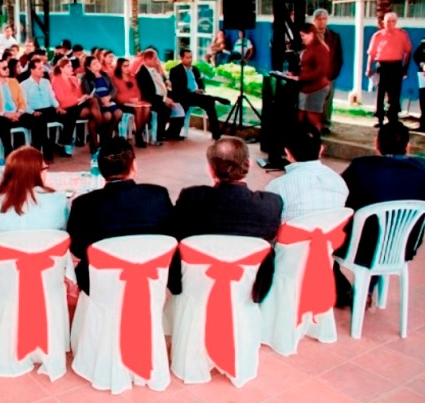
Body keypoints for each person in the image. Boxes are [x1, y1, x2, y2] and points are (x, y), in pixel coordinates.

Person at [334, 122, 425, 305]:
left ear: (376, 144)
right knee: (382, 231)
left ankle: (343, 290)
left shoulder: (362, 167)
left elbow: (337, 194)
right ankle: (368, 289)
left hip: (363, 247)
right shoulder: (424, 169)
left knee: (327, 233)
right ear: (408, 146)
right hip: (403, 246)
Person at [173, 137, 282, 301]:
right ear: (249, 164)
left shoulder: (191, 199)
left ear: (210, 169)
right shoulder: (270, 204)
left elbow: (175, 234)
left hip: (197, 286)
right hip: (248, 289)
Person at [67, 137, 176, 294]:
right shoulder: (158, 195)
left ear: (101, 170)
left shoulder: (84, 203)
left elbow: (77, 248)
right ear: (134, 166)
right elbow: (170, 233)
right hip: (150, 279)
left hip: (100, 284)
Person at [264, 123, 348, 222]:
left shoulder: (276, 186)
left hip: (290, 237)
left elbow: (266, 223)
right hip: (329, 237)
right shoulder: (339, 182)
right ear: (321, 149)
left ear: (287, 152)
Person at [0, 146, 69, 238]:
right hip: (51, 252)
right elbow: (66, 233)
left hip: (3, 251)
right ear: (38, 173)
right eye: (45, 168)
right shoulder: (59, 199)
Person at [0, 59, 48, 159]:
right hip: (2, 116)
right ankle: (9, 154)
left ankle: (35, 152)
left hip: (17, 115)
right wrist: (6, 114)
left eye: (7, 67)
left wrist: (19, 113)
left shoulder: (14, 82)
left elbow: (22, 102)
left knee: (38, 120)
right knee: (1, 122)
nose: (7, 69)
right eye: (4, 68)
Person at [169, 48, 229, 140]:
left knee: (209, 104)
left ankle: (216, 133)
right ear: (181, 58)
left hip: (197, 96)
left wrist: (201, 89)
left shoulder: (195, 70)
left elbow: (200, 82)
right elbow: (177, 89)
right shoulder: (175, 71)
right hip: (184, 96)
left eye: (191, 57)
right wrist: (192, 91)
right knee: (208, 100)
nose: (190, 60)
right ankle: (215, 98)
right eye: (187, 57)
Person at [366, 12, 412, 127]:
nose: (390, 23)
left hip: (396, 66)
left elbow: (408, 51)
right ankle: (379, 118)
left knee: (395, 93)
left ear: (396, 22)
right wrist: (368, 68)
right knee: (380, 93)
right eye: (388, 21)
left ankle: (393, 118)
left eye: (393, 21)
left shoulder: (402, 35)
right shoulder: (378, 35)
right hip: (382, 66)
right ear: (383, 22)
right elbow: (371, 54)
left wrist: (405, 67)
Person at [20, 58, 68, 161]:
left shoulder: (46, 82)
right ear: (32, 70)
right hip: (33, 111)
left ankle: (59, 144)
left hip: (48, 109)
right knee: (39, 121)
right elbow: (23, 103)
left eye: (43, 68)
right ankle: (46, 150)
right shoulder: (24, 85)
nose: (43, 70)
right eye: (39, 68)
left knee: (67, 116)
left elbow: (52, 97)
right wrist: (32, 112)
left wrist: (57, 107)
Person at [136, 49, 183, 143]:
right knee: (165, 109)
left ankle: (173, 132)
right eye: (155, 58)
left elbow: (162, 79)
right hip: (152, 99)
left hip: (163, 94)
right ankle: (158, 135)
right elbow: (147, 94)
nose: (157, 60)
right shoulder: (142, 73)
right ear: (147, 59)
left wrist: (165, 79)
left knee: (181, 101)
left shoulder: (155, 69)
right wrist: (164, 99)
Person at [293, 22, 332, 131]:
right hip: (305, 87)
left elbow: (321, 70)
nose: (302, 38)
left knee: (313, 117)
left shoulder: (320, 48)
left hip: (317, 87)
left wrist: (301, 78)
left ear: (311, 34)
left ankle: (316, 143)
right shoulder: (308, 48)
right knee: (301, 116)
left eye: (303, 36)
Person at [80, 56, 122, 153]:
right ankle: (103, 138)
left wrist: (109, 97)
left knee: (118, 113)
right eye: (94, 64)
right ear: (89, 67)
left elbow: (114, 89)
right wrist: (101, 99)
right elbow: (88, 92)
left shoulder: (105, 75)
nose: (97, 65)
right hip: (97, 102)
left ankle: (107, 135)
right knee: (107, 116)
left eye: (97, 62)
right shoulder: (86, 77)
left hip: (108, 99)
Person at [312, 9, 343, 134]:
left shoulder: (334, 37)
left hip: (328, 75)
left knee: (327, 101)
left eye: (324, 19)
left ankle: (325, 124)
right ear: (314, 21)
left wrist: (333, 74)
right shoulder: (308, 35)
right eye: (319, 19)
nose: (321, 21)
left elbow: (338, 57)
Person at [50, 58, 91, 151]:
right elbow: (61, 99)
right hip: (65, 107)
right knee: (73, 113)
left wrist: (83, 97)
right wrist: (78, 99)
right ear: (61, 68)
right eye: (68, 66)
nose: (71, 68)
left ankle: (64, 141)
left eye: (71, 66)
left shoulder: (73, 79)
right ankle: (97, 137)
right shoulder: (56, 80)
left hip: (76, 105)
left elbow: (79, 95)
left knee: (92, 103)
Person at [113, 57, 152, 148]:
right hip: (123, 104)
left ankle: (139, 131)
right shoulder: (115, 79)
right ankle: (139, 136)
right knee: (138, 109)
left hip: (135, 102)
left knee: (147, 108)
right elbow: (117, 95)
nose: (127, 68)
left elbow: (138, 91)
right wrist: (129, 99)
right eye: (124, 66)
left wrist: (136, 98)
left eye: (128, 65)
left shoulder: (132, 77)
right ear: (120, 67)